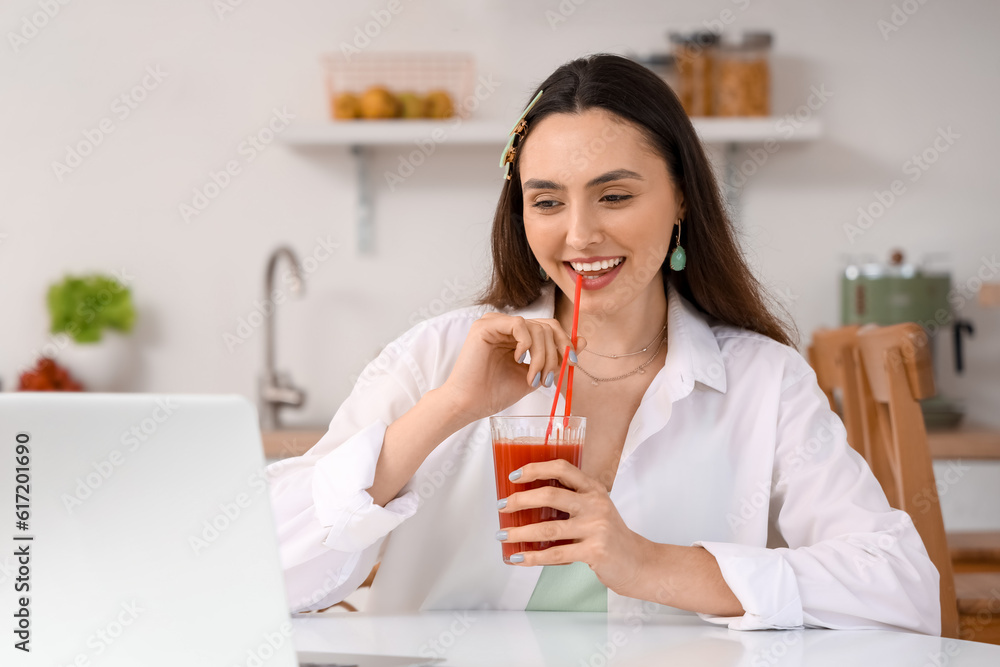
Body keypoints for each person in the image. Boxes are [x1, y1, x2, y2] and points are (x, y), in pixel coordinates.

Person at [266, 53, 940, 634]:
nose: (580, 236)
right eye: (548, 202)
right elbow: (263, 571)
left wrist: (651, 564)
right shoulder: (440, 356)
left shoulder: (764, 379)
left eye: (614, 196)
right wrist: (448, 408)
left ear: (681, 198)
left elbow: (904, 587)